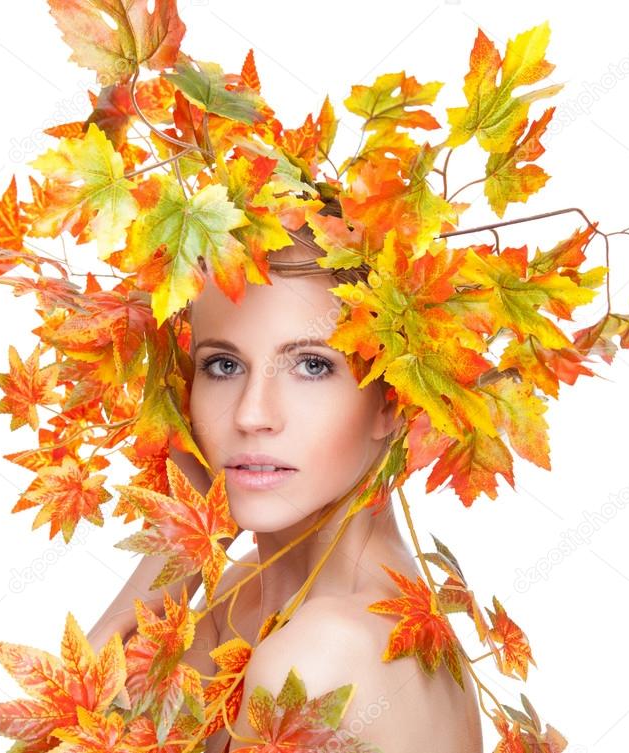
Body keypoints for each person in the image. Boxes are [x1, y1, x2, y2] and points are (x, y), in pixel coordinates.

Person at [89, 202, 484, 753]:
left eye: (312, 365)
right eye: (223, 366)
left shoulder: (322, 655)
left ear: (394, 401)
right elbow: (101, 717)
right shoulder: (246, 593)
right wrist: (196, 532)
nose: (250, 415)